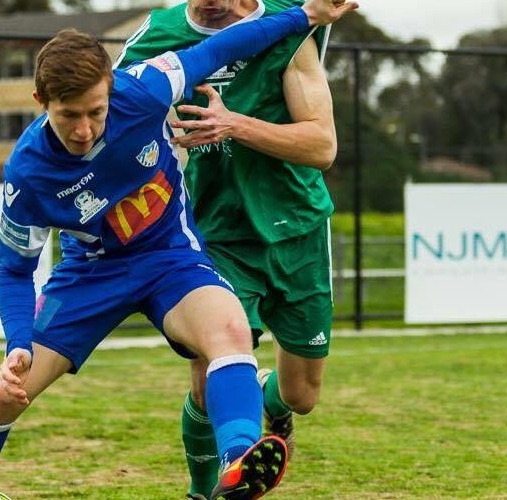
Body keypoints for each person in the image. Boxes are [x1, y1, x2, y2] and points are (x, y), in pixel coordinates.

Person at [0, 1, 357, 499]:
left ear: (111, 90)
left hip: (169, 258)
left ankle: (238, 464)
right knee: (7, 395)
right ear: (41, 101)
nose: (84, 130)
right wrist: (18, 344)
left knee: (230, 331)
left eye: (95, 112)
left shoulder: (145, 88)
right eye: (69, 116)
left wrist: (305, 16)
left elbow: (224, 46)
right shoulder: (27, 174)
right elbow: (14, 271)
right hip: (91, 275)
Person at [115, 0, 343, 497]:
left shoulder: (287, 27)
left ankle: (269, 399)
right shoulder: (158, 35)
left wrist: (233, 124)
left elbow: (322, 145)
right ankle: (204, 491)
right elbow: (107, 110)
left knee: (302, 395)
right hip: (214, 232)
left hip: (298, 228)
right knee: (208, 379)